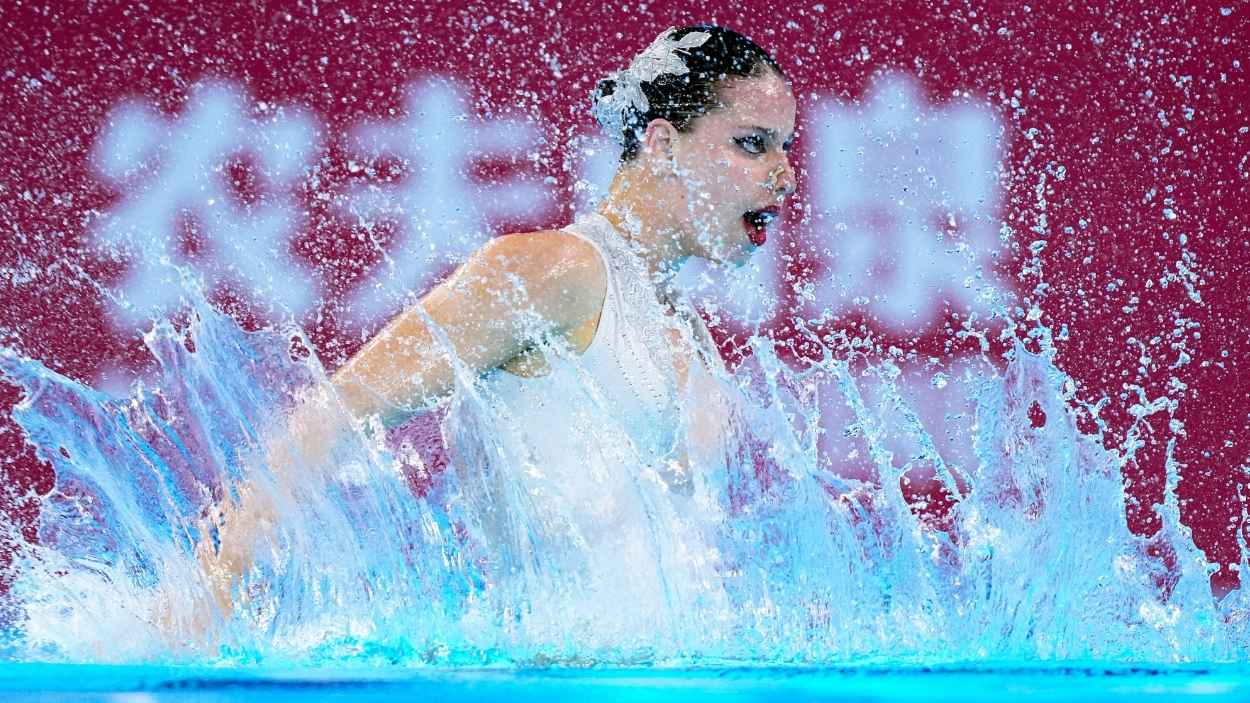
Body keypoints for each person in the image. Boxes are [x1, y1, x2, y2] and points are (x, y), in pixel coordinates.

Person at [194, 24, 798, 631]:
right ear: (663, 146)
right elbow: (335, 413)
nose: (786, 176)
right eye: (753, 144)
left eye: (787, 148)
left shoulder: (683, 325)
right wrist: (208, 602)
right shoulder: (557, 271)